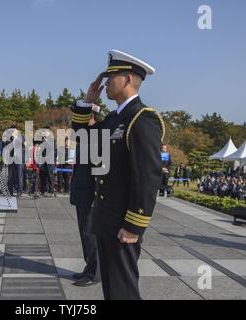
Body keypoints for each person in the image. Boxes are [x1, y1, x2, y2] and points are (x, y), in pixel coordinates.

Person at [72, 50, 164, 299]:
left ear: (128, 79)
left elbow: (148, 178)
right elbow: (85, 138)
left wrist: (134, 225)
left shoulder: (142, 118)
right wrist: (87, 103)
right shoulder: (115, 117)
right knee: (112, 290)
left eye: (111, 76)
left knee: (123, 290)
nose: (105, 83)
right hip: (106, 219)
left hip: (123, 223)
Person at [70, 110, 100, 287]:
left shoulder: (97, 139)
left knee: (90, 234)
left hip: (90, 194)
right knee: (84, 233)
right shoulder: (85, 138)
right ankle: (89, 266)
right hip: (81, 192)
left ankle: (94, 273)